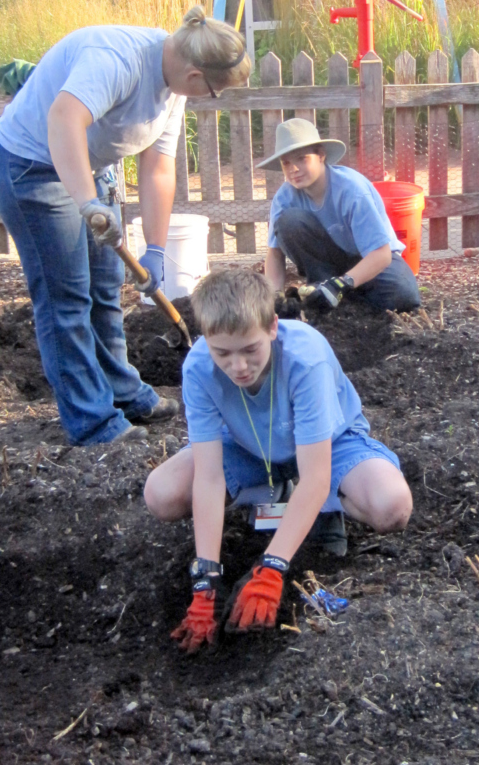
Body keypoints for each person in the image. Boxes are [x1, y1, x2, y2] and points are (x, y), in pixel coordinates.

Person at [0, 6, 250, 446]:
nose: (211, 98)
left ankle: (123, 393)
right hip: (30, 165)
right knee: (65, 298)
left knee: (104, 289)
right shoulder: (117, 58)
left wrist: (157, 248)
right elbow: (64, 119)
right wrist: (88, 203)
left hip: (90, 167)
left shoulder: (174, 86)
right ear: (196, 73)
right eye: (216, 91)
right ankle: (92, 421)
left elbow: (159, 167)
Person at [143, 268, 412, 648]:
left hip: (328, 446)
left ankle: (324, 510)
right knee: (162, 492)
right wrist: (206, 581)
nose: (238, 366)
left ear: (271, 327)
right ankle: (278, 492)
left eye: (250, 349)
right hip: (249, 447)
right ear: (205, 339)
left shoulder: (306, 359)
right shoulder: (199, 369)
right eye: (223, 353)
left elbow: (316, 475)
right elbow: (207, 476)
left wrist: (272, 568)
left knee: (392, 506)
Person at [258, 118, 420, 313]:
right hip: (327, 265)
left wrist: (342, 284)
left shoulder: (352, 190)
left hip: (371, 259)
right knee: (290, 221)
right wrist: (274, 296)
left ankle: (335, 295)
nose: (294, 169)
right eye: (286, 163)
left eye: (302, 159)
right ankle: (324, 293)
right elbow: (274, 254)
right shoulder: (283, 199)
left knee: (404, 296)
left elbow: (381, 254)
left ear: (321, 156)